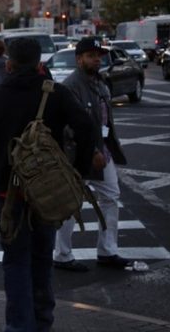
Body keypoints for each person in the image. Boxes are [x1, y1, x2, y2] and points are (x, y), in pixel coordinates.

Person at [0, 37, 94, 332]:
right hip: (47, 193)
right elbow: (87, 127)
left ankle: (18, 326)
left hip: (8, 193)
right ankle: (42, 322)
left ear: (9, 64)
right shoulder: (56, 94)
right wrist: (78, 169)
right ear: (40, 63)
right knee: (42, 258)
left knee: (15, 261)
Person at [53, 37, 133, 272]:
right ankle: (63, 254)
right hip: (80, 154)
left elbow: (105, 120)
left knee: (110, 197)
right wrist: (92, 150)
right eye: (91, 55)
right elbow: (69, 127)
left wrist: (104, 147)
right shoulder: (71, 86)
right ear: (79, 59)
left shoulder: (99, 82)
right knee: (72, 203)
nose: (97, 59)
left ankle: (108, 251)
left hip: (103, 150)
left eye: (99, 55)